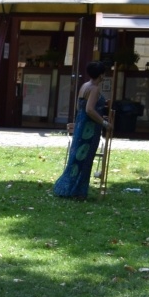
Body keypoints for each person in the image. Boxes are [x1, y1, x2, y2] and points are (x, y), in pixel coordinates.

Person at [53, 61, 109, 199]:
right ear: (101, 75)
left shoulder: (85, 85)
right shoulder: (95, 89)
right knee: (84, 158)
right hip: (89, 128)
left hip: (81, 124)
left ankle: (65, 188)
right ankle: (76, 191)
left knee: (77, 157)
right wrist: (104, 122)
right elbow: (89, 109)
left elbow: (81, 107)